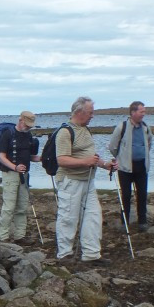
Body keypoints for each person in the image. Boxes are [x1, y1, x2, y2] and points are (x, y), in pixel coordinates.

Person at [54, 96, 116, 265]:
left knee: (93, 216)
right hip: (70, 181)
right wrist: (84, 162)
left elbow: (91, 157)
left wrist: (105, 165)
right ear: (79, 112)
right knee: (68, 218)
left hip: (88, 181)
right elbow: (61, 160)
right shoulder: (65, 132)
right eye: (90, 112)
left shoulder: (86, 130)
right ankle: (64, 254)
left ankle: (91, 254)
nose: (92, 116)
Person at [107, 101, 153, 231]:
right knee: (126, 195)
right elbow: (112, 146)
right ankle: (124, 223)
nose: (143, 114)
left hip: (141, 166)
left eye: (144, 111)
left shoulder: (146, 127)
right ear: (133, 112)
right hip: (125, 168)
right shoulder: (122, 127)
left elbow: (149, 143)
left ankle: (142, 222)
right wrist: (121, 158)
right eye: (141, 111)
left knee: (142, 194)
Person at [0, 111, 41, 242]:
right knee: (9, 207)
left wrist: (42, 159)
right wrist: (15, 167)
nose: (28, 127)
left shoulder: (28, 136)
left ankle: (20, 236)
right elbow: (1, 157)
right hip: (10, 174)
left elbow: (30, 156)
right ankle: (3, 237)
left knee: (22, 207)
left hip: (25, 175)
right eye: (27, 125)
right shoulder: (8, 134)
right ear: (20, 120)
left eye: (30, 126)